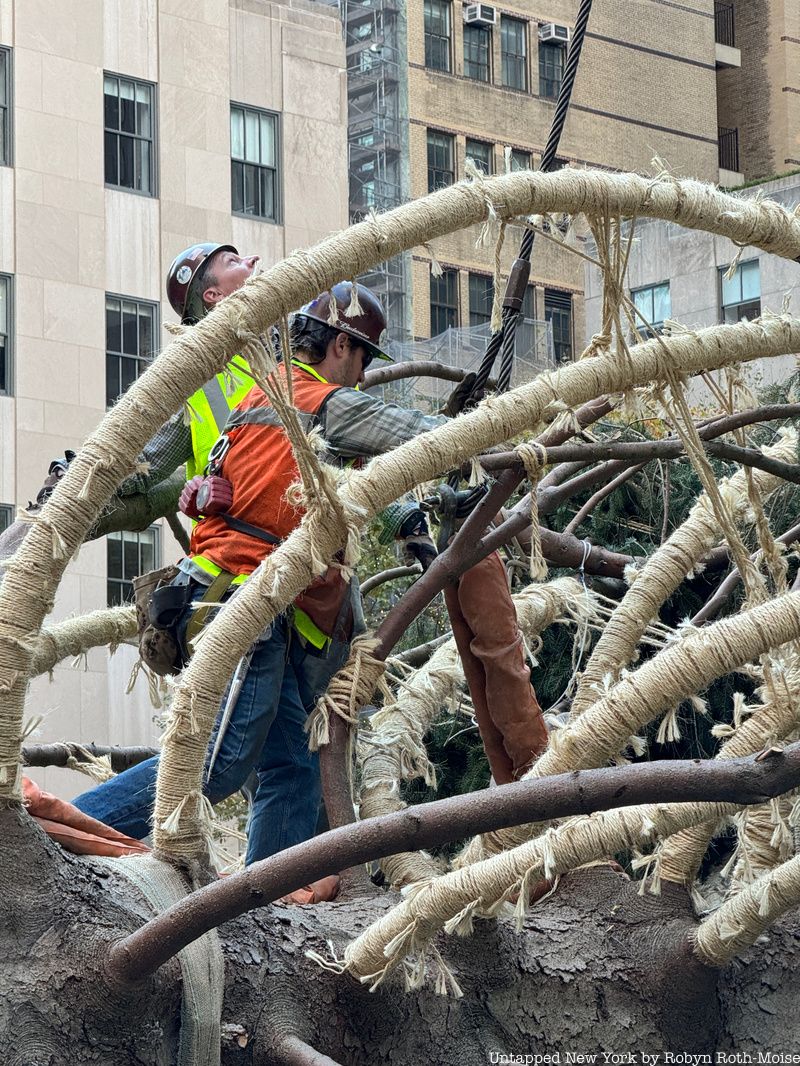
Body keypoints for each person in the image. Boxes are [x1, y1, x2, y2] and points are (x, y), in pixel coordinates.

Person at [74, 283, 446, 865]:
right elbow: (412, 435)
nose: (362, 373)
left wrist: (413, 522)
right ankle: (64, 831)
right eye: (365, 358)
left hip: (226, 592)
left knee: (293, 767)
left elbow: (336, 479)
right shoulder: (320, 400)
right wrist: (481, 427)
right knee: (220, 764)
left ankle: (267, 907)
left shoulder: (263, 393)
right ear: (343, 346)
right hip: (242, 595)